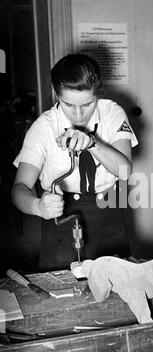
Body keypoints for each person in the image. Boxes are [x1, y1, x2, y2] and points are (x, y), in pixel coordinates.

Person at [12, 53, 138, 271]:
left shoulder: (112, 114)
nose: (78, 115)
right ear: (57, 95)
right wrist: (37, 206)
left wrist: (92, 143)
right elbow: (19, 188)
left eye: (87, 104)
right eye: (68, 105)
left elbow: (125, 171)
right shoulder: (43, 127)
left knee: (117, 289)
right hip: (61, 218)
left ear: (98, 92)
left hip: (108, 211)